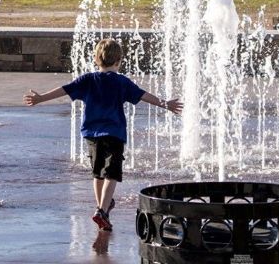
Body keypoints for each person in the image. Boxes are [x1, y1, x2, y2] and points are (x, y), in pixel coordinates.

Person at [23, 39, 183, 231]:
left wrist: (41, 98)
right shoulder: (121, 82)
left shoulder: (88, 79)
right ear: (119, 61)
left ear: (96, 59)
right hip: (114, 134)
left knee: (98, 173)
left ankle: (102, 208)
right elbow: (143, 95)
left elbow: (65, 90)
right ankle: (102, 211)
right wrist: (166, 104)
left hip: (91, 134)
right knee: (112, 173)